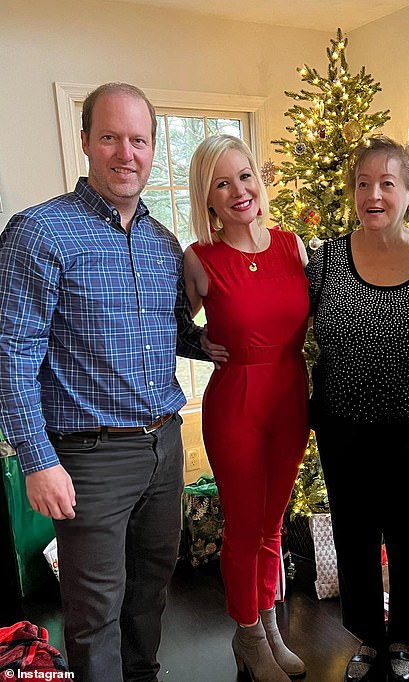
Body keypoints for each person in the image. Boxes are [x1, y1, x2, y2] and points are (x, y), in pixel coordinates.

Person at [0, 82, 207, 682]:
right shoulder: (39, 233)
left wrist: (217, 344)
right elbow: (11, 356)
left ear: (151, 147)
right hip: (88, 457)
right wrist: (37, 459)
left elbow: (172, 332)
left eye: (139, 140)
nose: (127, 153)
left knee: (150, 594)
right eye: (111, 137)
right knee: (94, 613)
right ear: (86, 141)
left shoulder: (161, 241)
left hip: (163, 445)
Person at [306, 136, 409, 682]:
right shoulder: (326, 259)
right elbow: (285, 326)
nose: (373, 194)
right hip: (343, 430)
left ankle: (404, 641)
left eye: (388, 183)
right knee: (354, 540)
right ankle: (365, 636)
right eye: (363, 183)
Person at [184, 135, 310, 682]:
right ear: (207, 198)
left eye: (245, 176)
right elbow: (164, 326)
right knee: (242, 527)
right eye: (222, 182)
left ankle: (268, 627)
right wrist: (199, 343)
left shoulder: (294, 247)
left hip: (290, 396)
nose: (239, 191)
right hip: (235, 401)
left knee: (273, 524)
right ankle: (248, 634)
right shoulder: (199, 259)